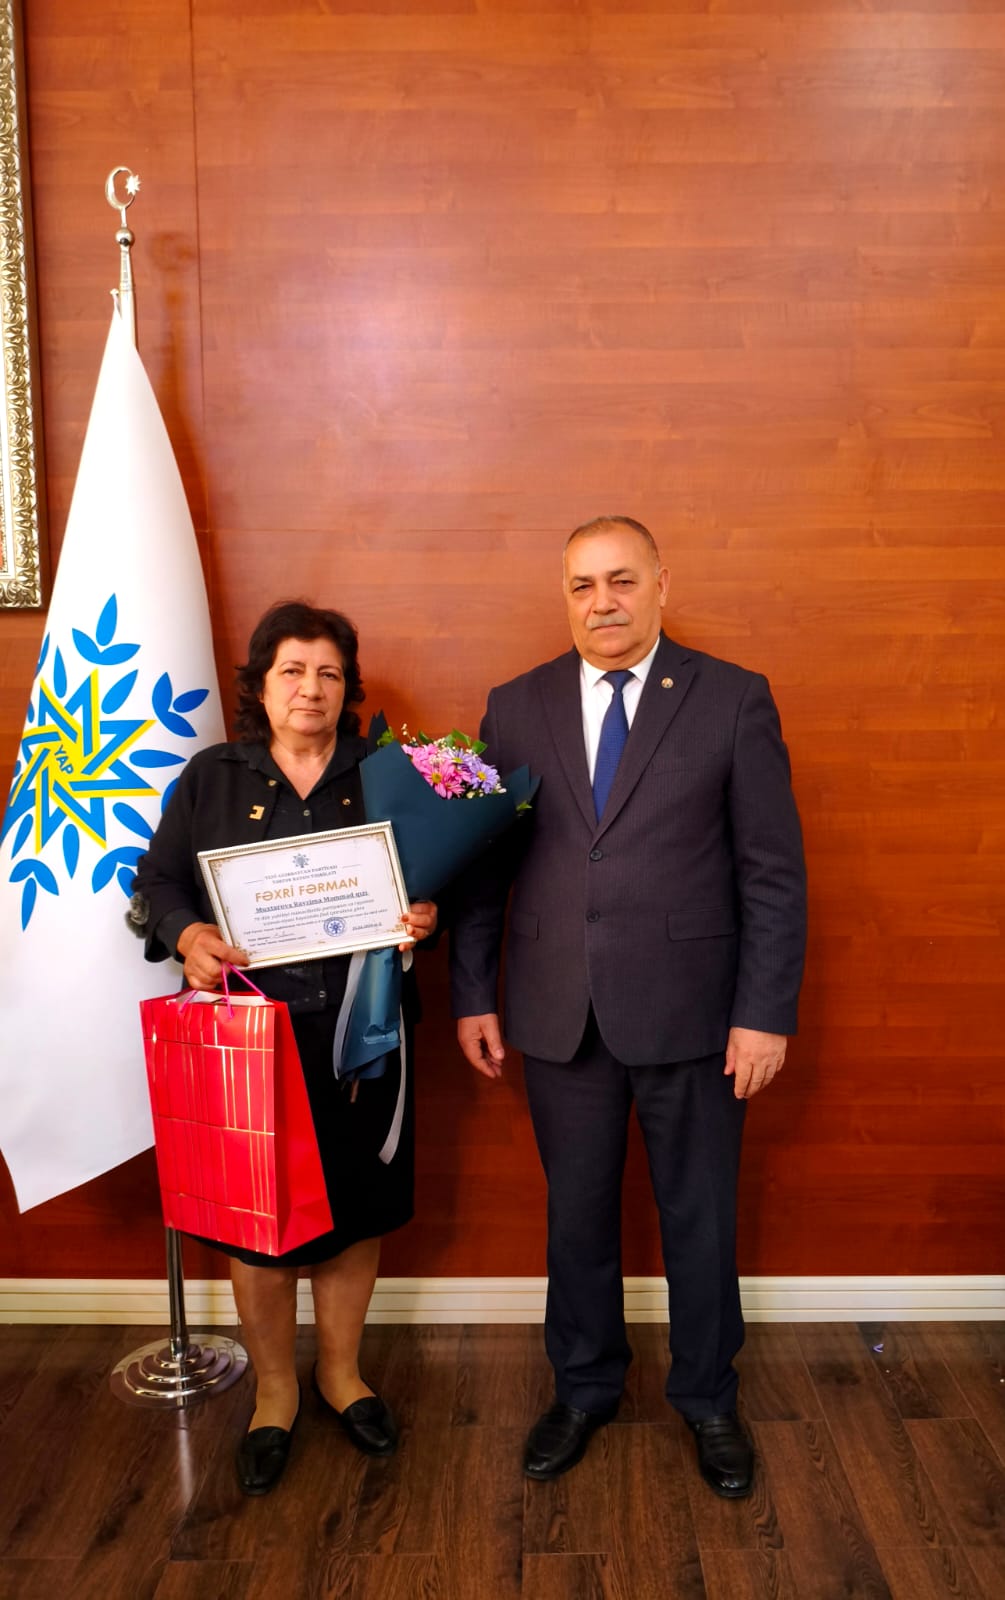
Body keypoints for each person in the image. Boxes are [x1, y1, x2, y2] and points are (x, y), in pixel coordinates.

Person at [450, 516, 806, 1498]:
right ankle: (583, 1388)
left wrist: (764, 1012)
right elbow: (483, 867)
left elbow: (771, 872)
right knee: (575, 1219)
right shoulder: (514, 705)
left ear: (660, 586)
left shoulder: (732, 698)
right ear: (564, 596)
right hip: (556, 1011)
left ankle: (708, 1398)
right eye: (581, 585)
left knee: (701, 1217)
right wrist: (473, 992)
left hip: (697, 1017)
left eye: (619, 580)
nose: (600, 602)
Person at [134, 600, 436, 1496]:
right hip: (251, 1039)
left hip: (362, 1033)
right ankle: (274, 1393)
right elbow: (157, 880)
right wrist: (187, 934)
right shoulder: (212, 777)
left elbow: (429, 880)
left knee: (353, 1213)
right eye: (293, 671)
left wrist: (427, 912)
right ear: (260, 687)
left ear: (348, 688)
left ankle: (341, 1377)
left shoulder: (387, 775)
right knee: (258, 1227)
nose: (311, 689)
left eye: (329, 673)